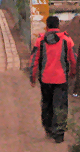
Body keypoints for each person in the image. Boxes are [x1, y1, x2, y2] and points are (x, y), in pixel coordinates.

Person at [29, 15, 77, 143]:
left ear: (47, 26)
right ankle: (59, 133)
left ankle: (49, 129)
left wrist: (32, 77)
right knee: (60, 105)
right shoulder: (67, 40)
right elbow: (74, 59)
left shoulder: (40, 41)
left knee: (47, 103)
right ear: (58, 26)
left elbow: (34, 60)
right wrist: (73, 72)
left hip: (45, 79)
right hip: (61, 79)